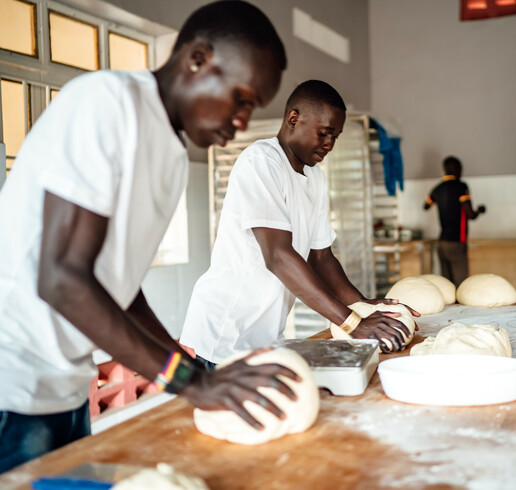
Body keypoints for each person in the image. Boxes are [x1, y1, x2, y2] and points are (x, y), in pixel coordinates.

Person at [0, 0, 299, 474]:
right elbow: (61, 279)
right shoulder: (108, 104)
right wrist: (187, 380)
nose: (242, 121)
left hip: (65, 388)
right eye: (241, 98)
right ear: (197, 58)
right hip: (12, 385)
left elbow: (118, 285)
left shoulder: (173, 158)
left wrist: (194, 369)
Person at [180, 80, 419, 368]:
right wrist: (351, 322)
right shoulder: (261, 162)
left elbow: (322, 258)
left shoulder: (315, 179)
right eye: (324, 133)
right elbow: (278, 257)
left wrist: (363, 307)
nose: (329, 144)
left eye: (336, 137)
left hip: (265, 337)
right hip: (220, 337)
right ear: (294, 119)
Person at [423, 156, 486, 286]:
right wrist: (479, 210)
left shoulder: (438, 189)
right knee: (462, 285)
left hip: (442, 242)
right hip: (457, 242)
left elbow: (426, 206)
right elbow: (471, 214)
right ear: (456, 169)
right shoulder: (461, 187)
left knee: (447, 284)